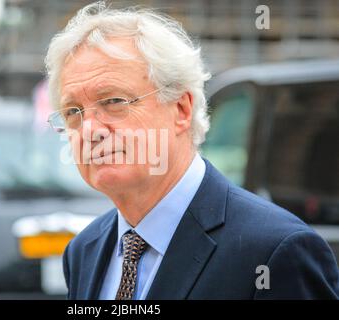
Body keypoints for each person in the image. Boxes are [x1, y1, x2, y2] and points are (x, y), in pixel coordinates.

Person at [44, 1, 339, 299]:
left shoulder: (275, 252)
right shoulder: (85, 250)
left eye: (114, 102)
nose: (90, 130)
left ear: (181, 109)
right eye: (73, 111)